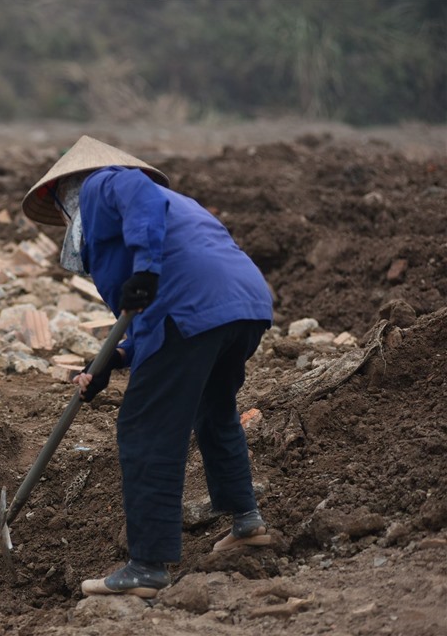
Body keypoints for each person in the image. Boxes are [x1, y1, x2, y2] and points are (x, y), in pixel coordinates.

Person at [21, 135, 274, 598]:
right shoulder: (172, 208)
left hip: (192, 308)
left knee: (145, 428)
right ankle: (247, 522)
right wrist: (109, 362)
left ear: (67, 190)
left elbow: (152, 267)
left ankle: (148, 566)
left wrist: (146, 268)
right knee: (214, 411)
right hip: (242, 305)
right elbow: (142, 322)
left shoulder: (105, 183)